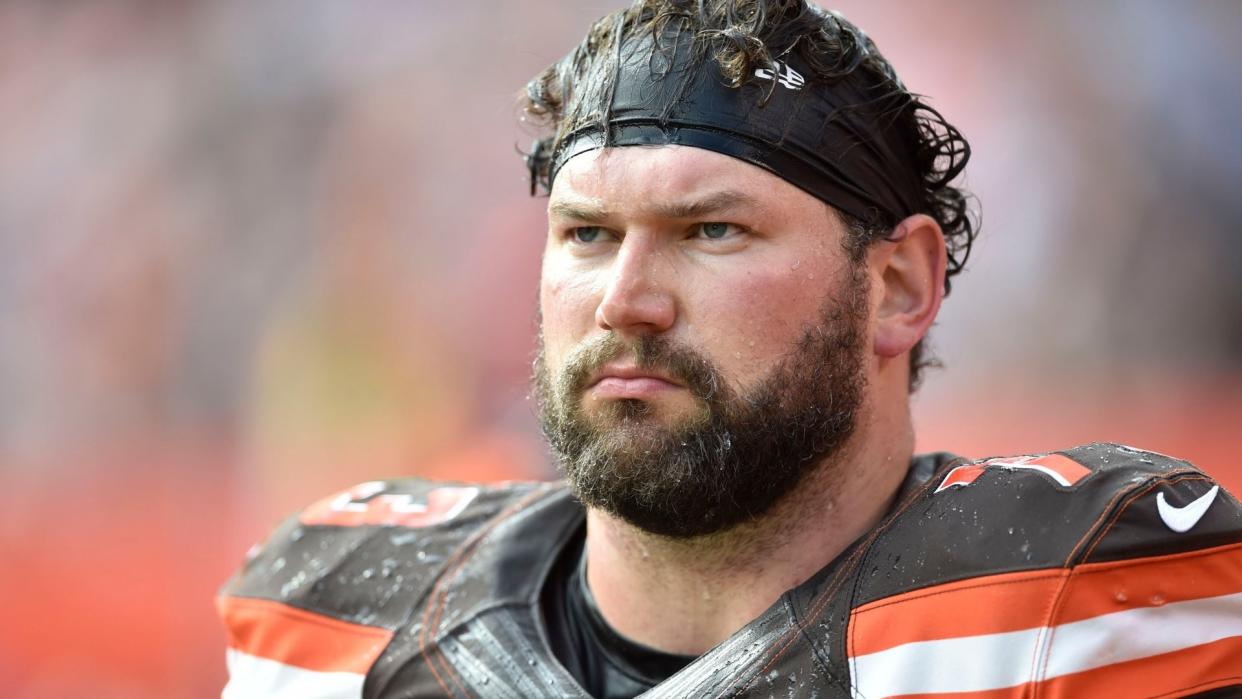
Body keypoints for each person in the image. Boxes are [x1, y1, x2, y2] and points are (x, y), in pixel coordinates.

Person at [217, 1, 1242, 697]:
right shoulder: (336, 621)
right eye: (587, 234)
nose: (626, 301)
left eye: (713, 231)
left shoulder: (1078, 607)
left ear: (899, 287)